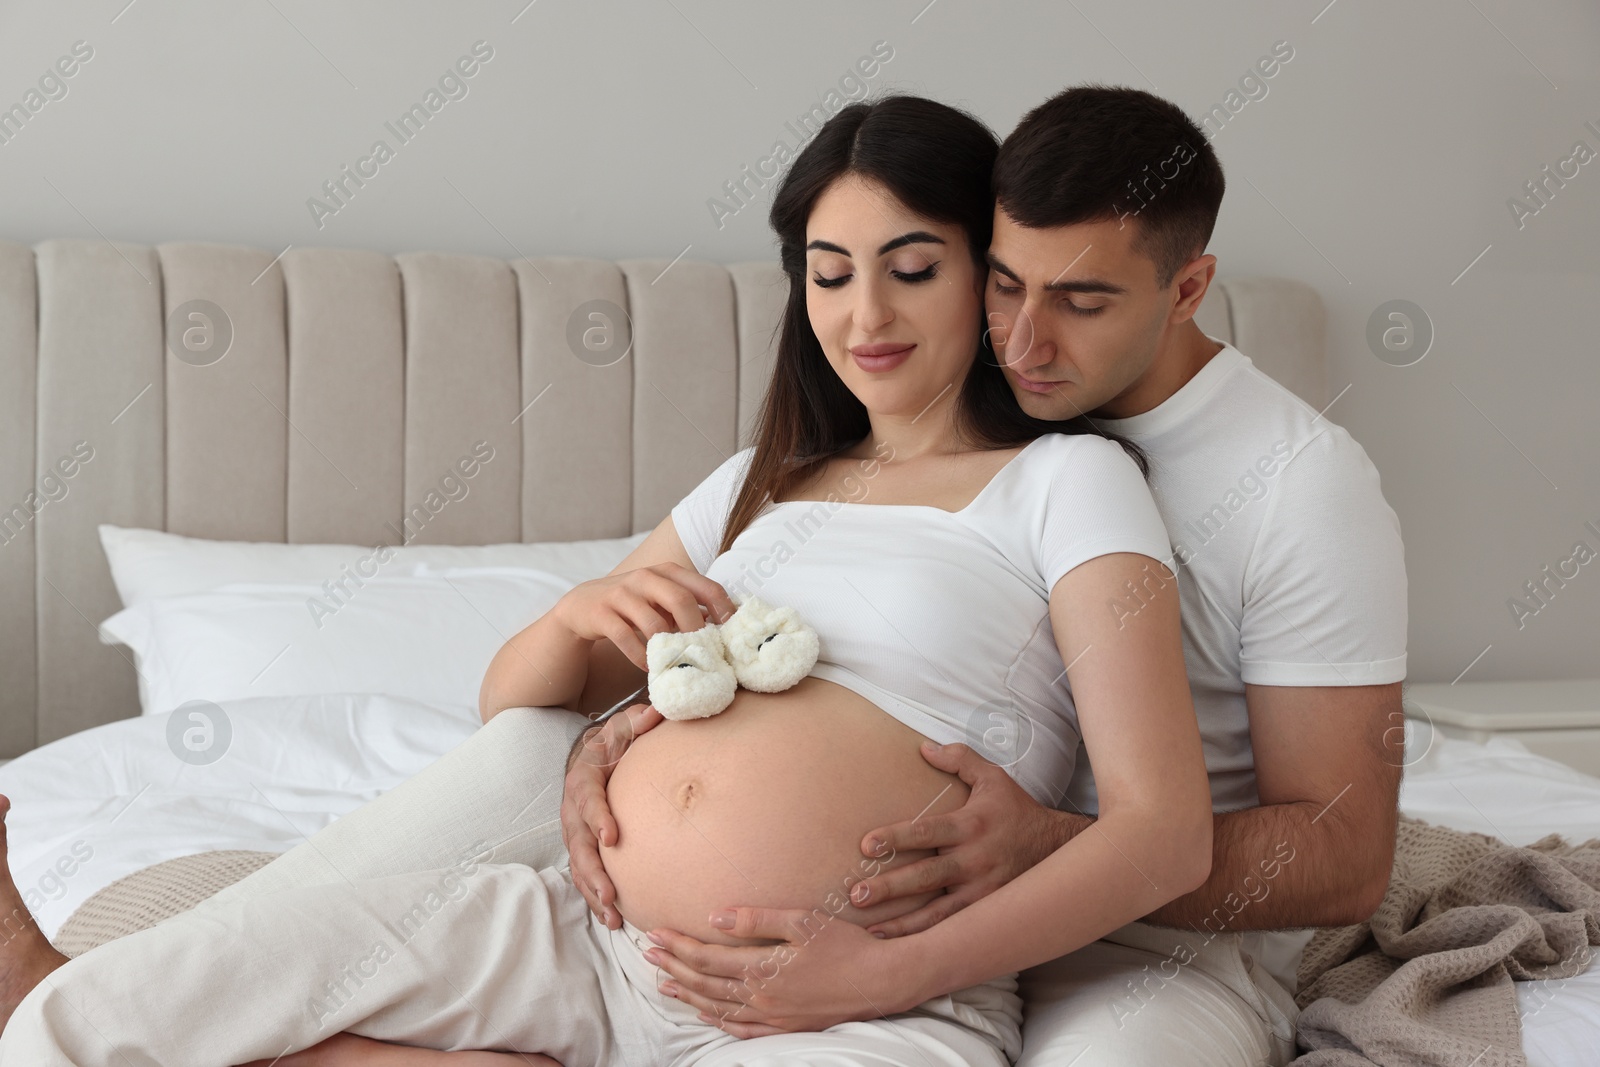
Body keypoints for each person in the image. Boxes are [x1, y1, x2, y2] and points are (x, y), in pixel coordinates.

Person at [0, 95, 1213, 1067]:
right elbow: (512, 713)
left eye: (912, 265)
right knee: (71, 1029)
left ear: (984, 274)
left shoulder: (1065, 482)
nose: (864, 313)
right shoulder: (757, 481)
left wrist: (881, 972)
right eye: (828, 270)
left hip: (858, 1007)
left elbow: (1166, 836)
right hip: (582, 939)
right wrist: (577, 613)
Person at [614, 86, 1407, 1066]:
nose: (1023, 341)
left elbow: (1343, 860)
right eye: (1002, 284)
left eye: (1081, 300)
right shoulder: (949, 423)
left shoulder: (1299, 483)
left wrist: (1044, 841)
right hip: (898, 911)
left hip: (1149, 941)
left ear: (1188, 288)